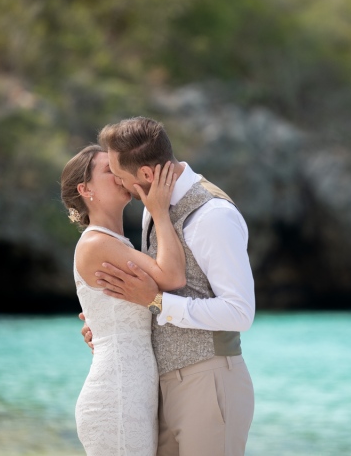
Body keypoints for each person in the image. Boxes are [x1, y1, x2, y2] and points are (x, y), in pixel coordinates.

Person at [80, 117, 256, 456]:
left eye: (120, 175)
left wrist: (157, 301)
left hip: (209, 381)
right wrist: (109, 324)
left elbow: (240, 312)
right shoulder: (154, 208)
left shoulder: (212, 215)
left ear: (146, 175)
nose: (118, 182)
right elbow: (154, 286)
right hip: (162, 386)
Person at [61, 143, 186, 456]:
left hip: (131, 394)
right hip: (116, 397)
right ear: (85, 189)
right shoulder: (96, 243)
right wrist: (159, 210)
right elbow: (171, 277)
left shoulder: (117, 242)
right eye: (109, 170)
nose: (119, 175)